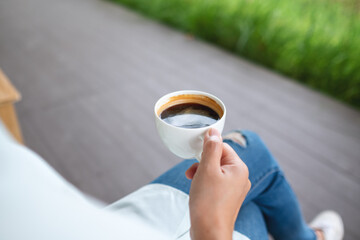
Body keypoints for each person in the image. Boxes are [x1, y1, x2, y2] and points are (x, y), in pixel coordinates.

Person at [0, 120, 343, 240]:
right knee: (249, 150)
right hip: (166, 226)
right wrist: (211, 226)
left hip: (126, 219)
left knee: (250, 206)